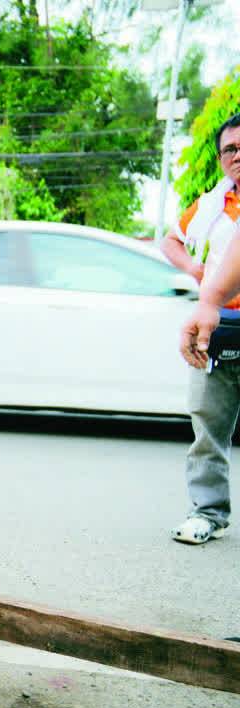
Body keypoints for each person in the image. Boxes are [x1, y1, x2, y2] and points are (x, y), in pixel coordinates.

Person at [169, 113, 240, 545]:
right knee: (208, 425)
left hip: (211, 313)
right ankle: (208, 512)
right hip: (220, 327)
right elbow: (170, 240)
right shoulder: (212, 205)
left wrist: (208, 299)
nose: (237, 156)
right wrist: (199, 274)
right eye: (230, 149)